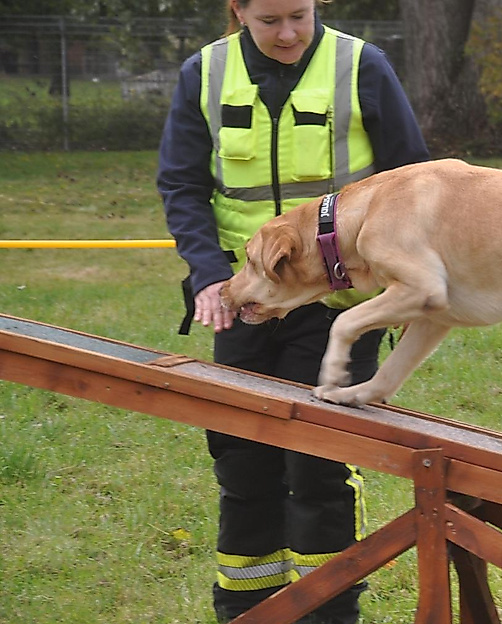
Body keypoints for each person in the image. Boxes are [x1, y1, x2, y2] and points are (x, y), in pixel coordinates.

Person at [156, 0, 428, 621]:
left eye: (300, 16)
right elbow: (182, 183)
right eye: (270, 20)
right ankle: (246, 607)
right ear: (238, 11)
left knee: (317, 462)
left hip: (340, 304)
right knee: (242, 458)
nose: (288, 34)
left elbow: (414, 182)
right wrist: (209, 275)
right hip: (245, 298)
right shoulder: (204, 73)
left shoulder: (362, 65)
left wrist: (403, 283)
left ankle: (328, 609)